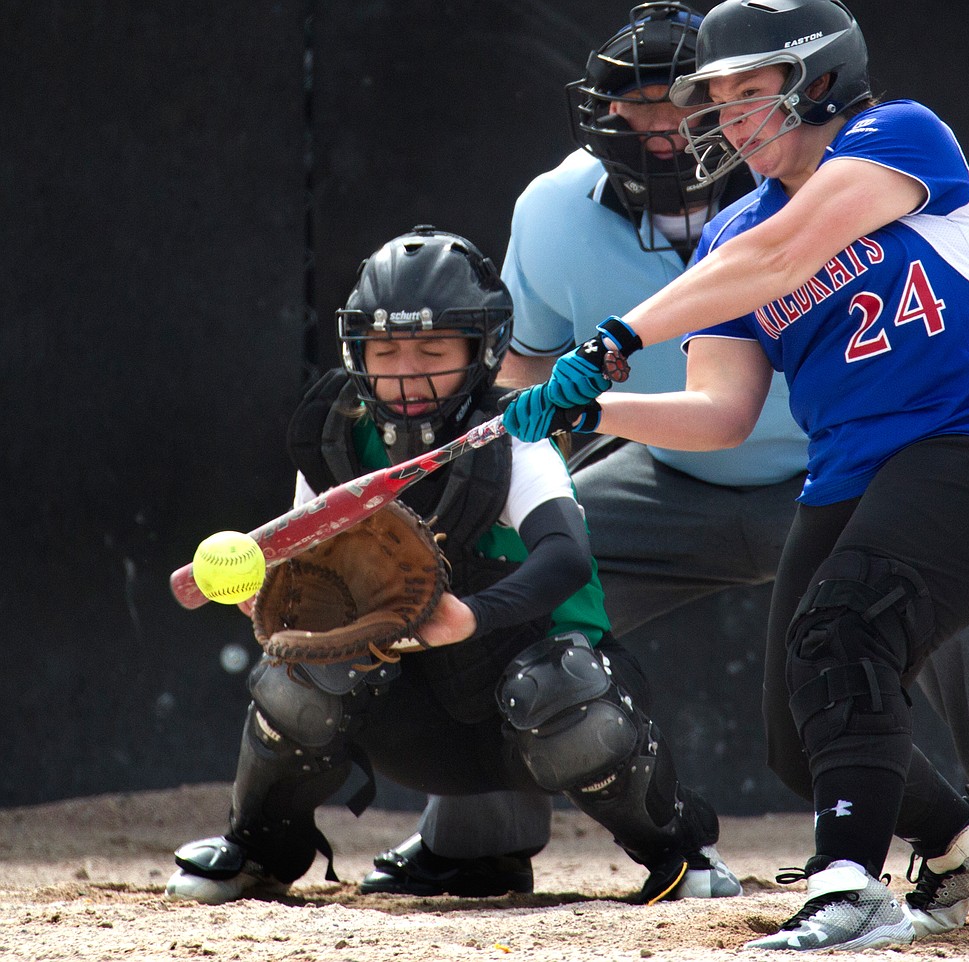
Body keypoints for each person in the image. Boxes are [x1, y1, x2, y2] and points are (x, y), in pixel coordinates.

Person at [361, 0, 969, 906]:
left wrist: (611, 342)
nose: (720, 119)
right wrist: (594, 405)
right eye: (715, 97)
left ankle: (906, 865)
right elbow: (721, 410)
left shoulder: (897, 140)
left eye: (750, 93)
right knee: (799, 743)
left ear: (819, 81)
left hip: (961, 447)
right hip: (832, 477)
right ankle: (959, 836)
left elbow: (781, 258)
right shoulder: (725, 234)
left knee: (865, 621)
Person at [164, 226, 742, 906]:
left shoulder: (513, 435)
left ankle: (678, 852)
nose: (406, 370)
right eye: (386, 350)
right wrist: (272, 601)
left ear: (482, 350)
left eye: (432, 348)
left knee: (561, 686)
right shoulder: (332, 440)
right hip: (408, 718)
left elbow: (566, 558)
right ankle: (258, 851)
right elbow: (301, 575)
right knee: (301, 668)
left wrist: (473, 616)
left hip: (522, 712)